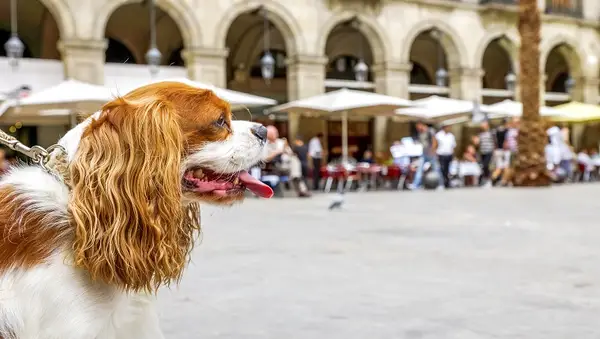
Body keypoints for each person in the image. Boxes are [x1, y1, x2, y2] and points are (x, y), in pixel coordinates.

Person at [409, 121, 441, 190]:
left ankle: (440, 184)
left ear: (422, 125)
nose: (417, 129)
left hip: (431, 153)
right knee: (419, 169)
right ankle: (416, 184)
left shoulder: (430, 131)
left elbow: (434, 141)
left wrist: (432, 151)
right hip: (423, 153)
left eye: (418, 127)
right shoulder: (420, 133)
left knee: (436, 169)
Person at [471, 121, 496, 186]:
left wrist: (494, 151)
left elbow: (494, 142)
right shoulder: (480, 134)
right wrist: (475, 142)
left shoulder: (491, 133)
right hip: (482, 152)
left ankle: (488, 180)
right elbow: (477, 144)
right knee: (483, 166)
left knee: (486, 165)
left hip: (489, 151)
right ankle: (485, 180)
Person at [435, 123, 456, 188]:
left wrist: (453, 155)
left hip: (449, 154)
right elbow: (435, 144)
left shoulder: (451, 136)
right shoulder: (438, 135)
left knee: (447, 169)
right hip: (441, 154)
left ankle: (447, 183)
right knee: (442, 169)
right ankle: (443, 182)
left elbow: (453, 146)